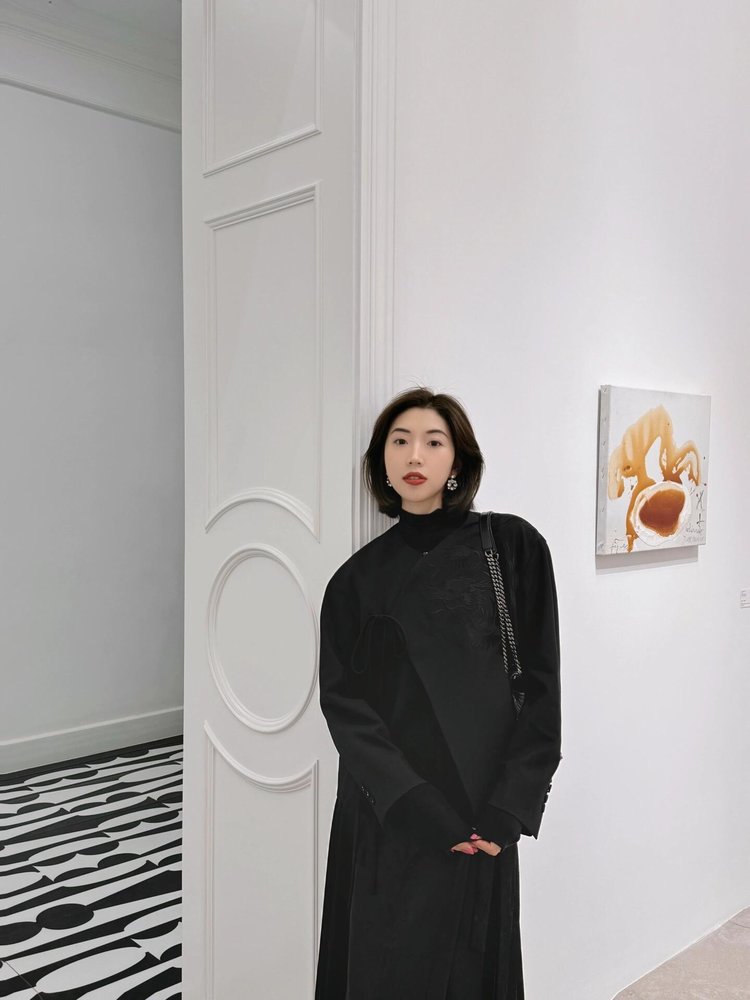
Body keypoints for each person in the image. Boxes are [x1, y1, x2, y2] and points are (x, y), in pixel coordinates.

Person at [314, 386, 562, 999]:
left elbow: (542, 686)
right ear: (381, 461)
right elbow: (345, 707)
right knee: (385, 969)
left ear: (458, 460)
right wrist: (414, 804)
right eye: (399, 441)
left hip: (483, 813)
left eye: (433, 441)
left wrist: (510, 808)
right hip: (391, 816)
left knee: (472, 972)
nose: (414, 455)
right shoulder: (354, 581)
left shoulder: (512, 547)